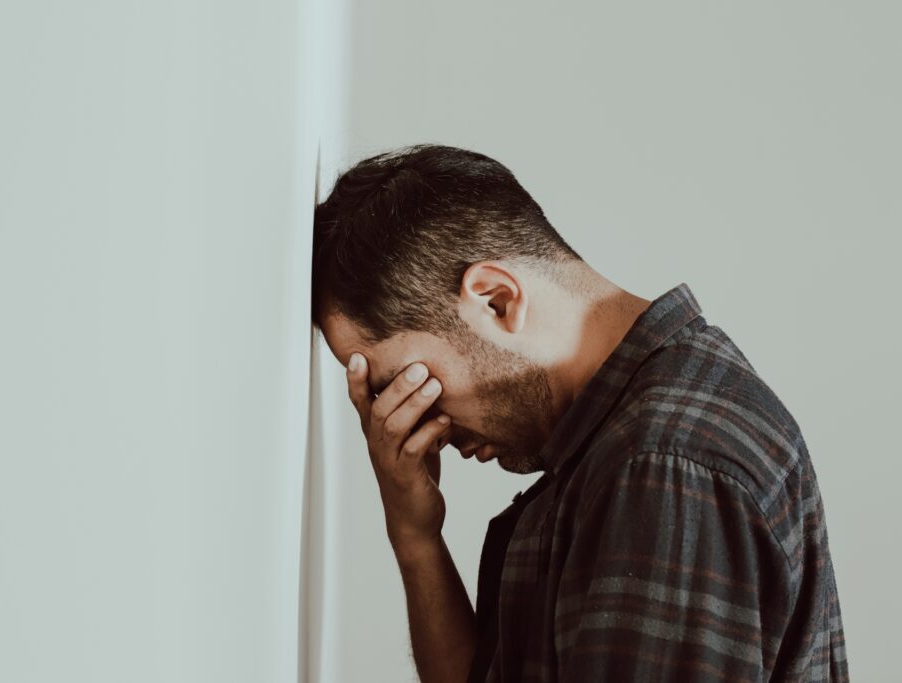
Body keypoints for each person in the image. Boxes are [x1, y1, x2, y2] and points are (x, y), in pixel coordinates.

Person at [311, 143, 849, 682]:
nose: (413, 424)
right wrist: (416, 536)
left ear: (497, 300)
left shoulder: (663, 462)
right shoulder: (628, 445)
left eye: (397, 382)